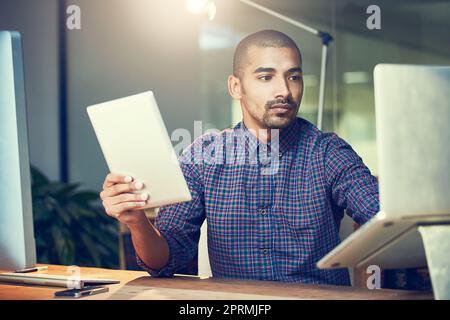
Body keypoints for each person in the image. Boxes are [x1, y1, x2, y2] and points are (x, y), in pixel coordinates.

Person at [99, 30, 379, 286]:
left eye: (293, 76)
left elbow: (383, 216)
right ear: (236, 87)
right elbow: (165, 261)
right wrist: (137, 222)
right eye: (266, 77)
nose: (284, 90)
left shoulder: (328, 152)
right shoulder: (202, 157)